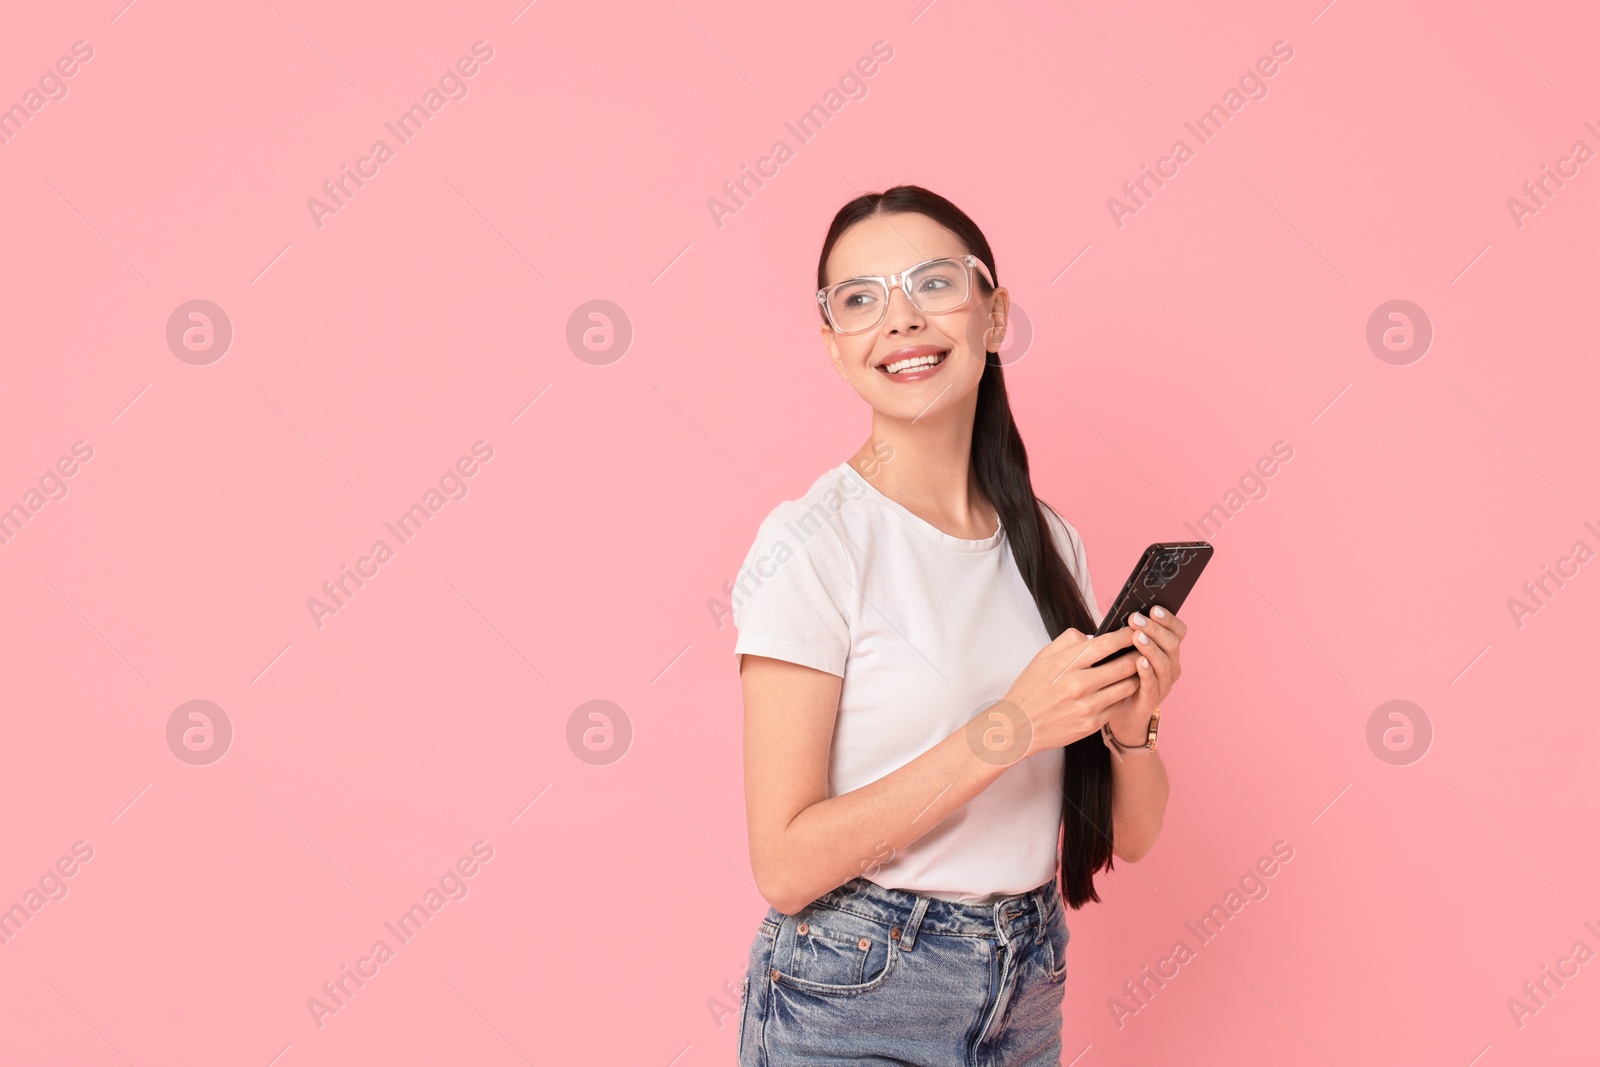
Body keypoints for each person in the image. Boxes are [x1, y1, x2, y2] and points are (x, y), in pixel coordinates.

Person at [729, 184, 1188, 1065]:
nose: (899, 319)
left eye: (932, 283)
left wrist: (1132, 728)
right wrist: (1012, 727)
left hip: (1026, 976)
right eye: (859, 300)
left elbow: (1131, 835)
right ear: (833, 345)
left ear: (994, 312)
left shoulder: (1049, 540)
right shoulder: (811, 545)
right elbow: (784, 865)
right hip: (853, 994)